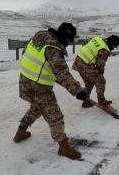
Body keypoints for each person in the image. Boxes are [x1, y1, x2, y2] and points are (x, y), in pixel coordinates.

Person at [13, 23, 87, 160]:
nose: (70, 43)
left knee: (37, 107)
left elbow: (31, 57)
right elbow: (62, 74)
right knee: (55, 115)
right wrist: (78, 91)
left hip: (25, 82)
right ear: (65, 37)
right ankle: (63, 147)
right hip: (38, 87)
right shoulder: (53, 49)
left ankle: (21, 131)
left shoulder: (39, 37)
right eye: (70, 40)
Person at [72, 35, 119, 108]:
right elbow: (100, 64)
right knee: (101, 81)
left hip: (78, 62)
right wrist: (100, 75)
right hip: (86, 64)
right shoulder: (104, 49)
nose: (114, 48)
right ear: (112, 43)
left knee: (89, 83)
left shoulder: (97, 39)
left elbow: (86, 44)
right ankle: (101, 101)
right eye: (115, 46)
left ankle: (86, 101)